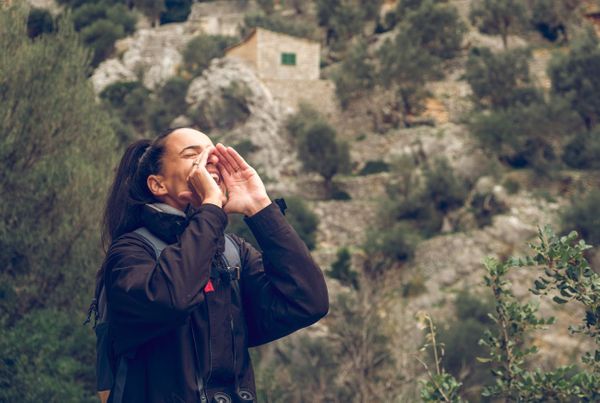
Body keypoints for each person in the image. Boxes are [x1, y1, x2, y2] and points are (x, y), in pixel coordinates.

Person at [97, 127, 329, 402]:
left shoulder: (232, 252)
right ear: (157, 185)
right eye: (192, 154)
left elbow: (307, 302)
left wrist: (260, 207)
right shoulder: (130, 253)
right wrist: (211, 208)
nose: (210, 159)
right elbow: (172, 299)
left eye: (212, 153)